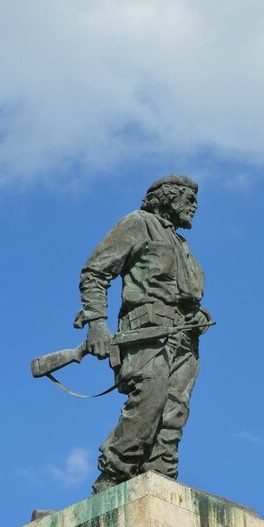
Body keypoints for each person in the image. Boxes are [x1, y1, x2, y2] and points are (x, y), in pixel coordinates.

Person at [73, 174, 212, 493]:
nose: (195, 207)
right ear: (167, 197)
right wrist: (96, 322)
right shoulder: (138, 224)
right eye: (189, 199)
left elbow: (184, 294)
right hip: (146, 332)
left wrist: (198, 314)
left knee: (175, 410)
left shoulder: (183, 246)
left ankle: (161, 478)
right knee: (150, 398)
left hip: (185, 338)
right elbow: (95, 272)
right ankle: (114, 473)